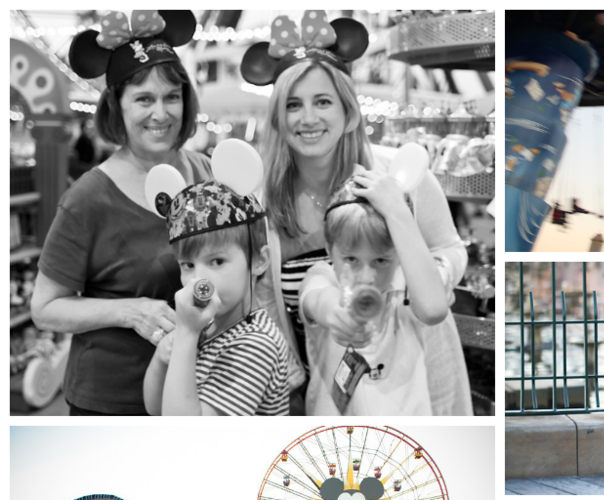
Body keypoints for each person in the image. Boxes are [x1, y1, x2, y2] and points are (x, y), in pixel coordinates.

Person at [243, 12, 472, 415]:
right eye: (294, 105)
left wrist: (406, 241)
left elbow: (450, 250)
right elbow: (265, 305)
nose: (308, 118)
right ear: (278, 117)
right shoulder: (262, 200)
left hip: (417, 386)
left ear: (349, 112)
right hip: (324, 389)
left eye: (323, 102)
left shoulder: (401, 176)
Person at [32, 11, 208, 415]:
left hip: (192, 396)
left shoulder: (204, 172)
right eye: (144, 99)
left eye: (171, 97)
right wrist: (129, 311)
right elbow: (44, 308)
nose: (161, 114)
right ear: (117, 107)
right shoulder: (89, 197)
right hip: (111, 401)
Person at [142, 140, 290, 415]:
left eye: (217, 261)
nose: (199, 281)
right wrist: (163, 358)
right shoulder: (209, 327)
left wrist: (186, 335)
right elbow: (154, 409)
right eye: (188, 265)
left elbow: (190, 441)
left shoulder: (255, 345)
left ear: (259, 261)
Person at [298, 178, 452, 415]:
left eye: (380, 260)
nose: (367, 277)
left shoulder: (410, 284)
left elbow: (433, 310)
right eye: (351, 259)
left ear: (400, 253)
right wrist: (336, 316)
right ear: (329, 249)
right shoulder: (323, 276)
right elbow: (317, 300)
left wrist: (399, 213)